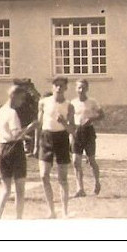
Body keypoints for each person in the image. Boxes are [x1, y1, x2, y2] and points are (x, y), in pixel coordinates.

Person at [36, 77, 75, 218]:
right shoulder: (43, 103)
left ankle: (65, 211)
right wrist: (35, 145)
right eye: (56, 85)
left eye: (61, 86)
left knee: (62, 178)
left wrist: (64, 122)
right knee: (43, 175)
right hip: (46, 138)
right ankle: (51, 211)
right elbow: (38, 125)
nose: (58, 88)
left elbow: (72, 130)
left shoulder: (69, 105)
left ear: (65, 88)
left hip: (61, 138)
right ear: (52, 87)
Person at [0, 85, 34, 219]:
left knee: (5, 189)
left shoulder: (1, 111)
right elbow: (16, 134)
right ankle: (19, 219)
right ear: (14, 96)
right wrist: (30, 128)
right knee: (20, 189)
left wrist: (24, 134)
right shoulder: (12, 113)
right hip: (15, 149)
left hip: (2, 148)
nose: (22, 101)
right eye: (21, 98)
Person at [70, 78, 104, 197]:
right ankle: (80, 188)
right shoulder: (72, 103)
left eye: (83, 88)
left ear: (87, 89)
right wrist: (71, 133)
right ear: (76, 89)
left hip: (88, 131)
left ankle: (97, 182)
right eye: (79, 87)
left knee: (91, 160)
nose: (81, 90)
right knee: (75, 161)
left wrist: (92, 119)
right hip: (76, 132)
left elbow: (102, 115)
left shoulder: (92, 102)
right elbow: (70, 119)